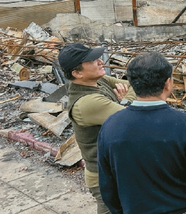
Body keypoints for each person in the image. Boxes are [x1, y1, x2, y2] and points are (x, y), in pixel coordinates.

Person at [97, 52, 186, 214]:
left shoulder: (110, 125)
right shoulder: (185, 124)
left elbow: (106, 183)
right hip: (183, 209)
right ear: (168, 83)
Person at [58, 43, 136, 214]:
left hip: (116, 171)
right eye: (93, 60)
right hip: (105, 178)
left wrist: (125, 100)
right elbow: (131, 118)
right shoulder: (87, 102)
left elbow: (136, 84)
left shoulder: (99, 81)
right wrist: (124, 102)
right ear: (77, 73)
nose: (100, 61)